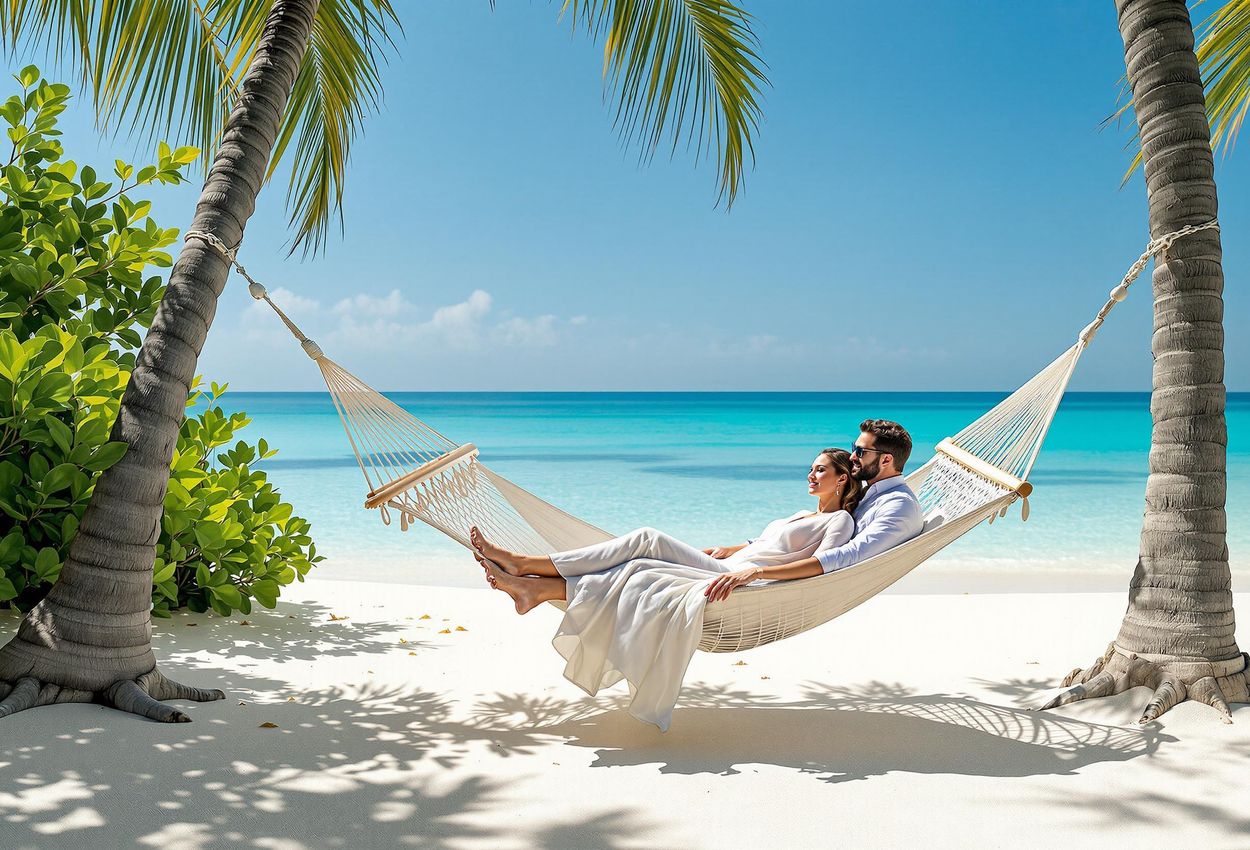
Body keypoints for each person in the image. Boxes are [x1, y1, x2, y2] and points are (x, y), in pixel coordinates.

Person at [468, 448, 861, 730]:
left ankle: (526, 566)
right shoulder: (802, 514)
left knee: (646, 537)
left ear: (842, 478)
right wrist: (736, 547)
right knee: (636, 569)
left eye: (821, 470)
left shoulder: (839, 521)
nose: (811, 475)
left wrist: (752, 572)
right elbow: (767, 541)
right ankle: (534, 590)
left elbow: (819, 567)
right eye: (811, 468)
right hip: (729, 563)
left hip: (735, 579)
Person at [817, 419, 924, 573]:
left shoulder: (899, 504)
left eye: (860, 452)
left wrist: (772, 571)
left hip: (824, 579)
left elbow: (851, 554)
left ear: (886, 459)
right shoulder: (866, 493)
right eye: (854, 448)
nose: (852, 457)